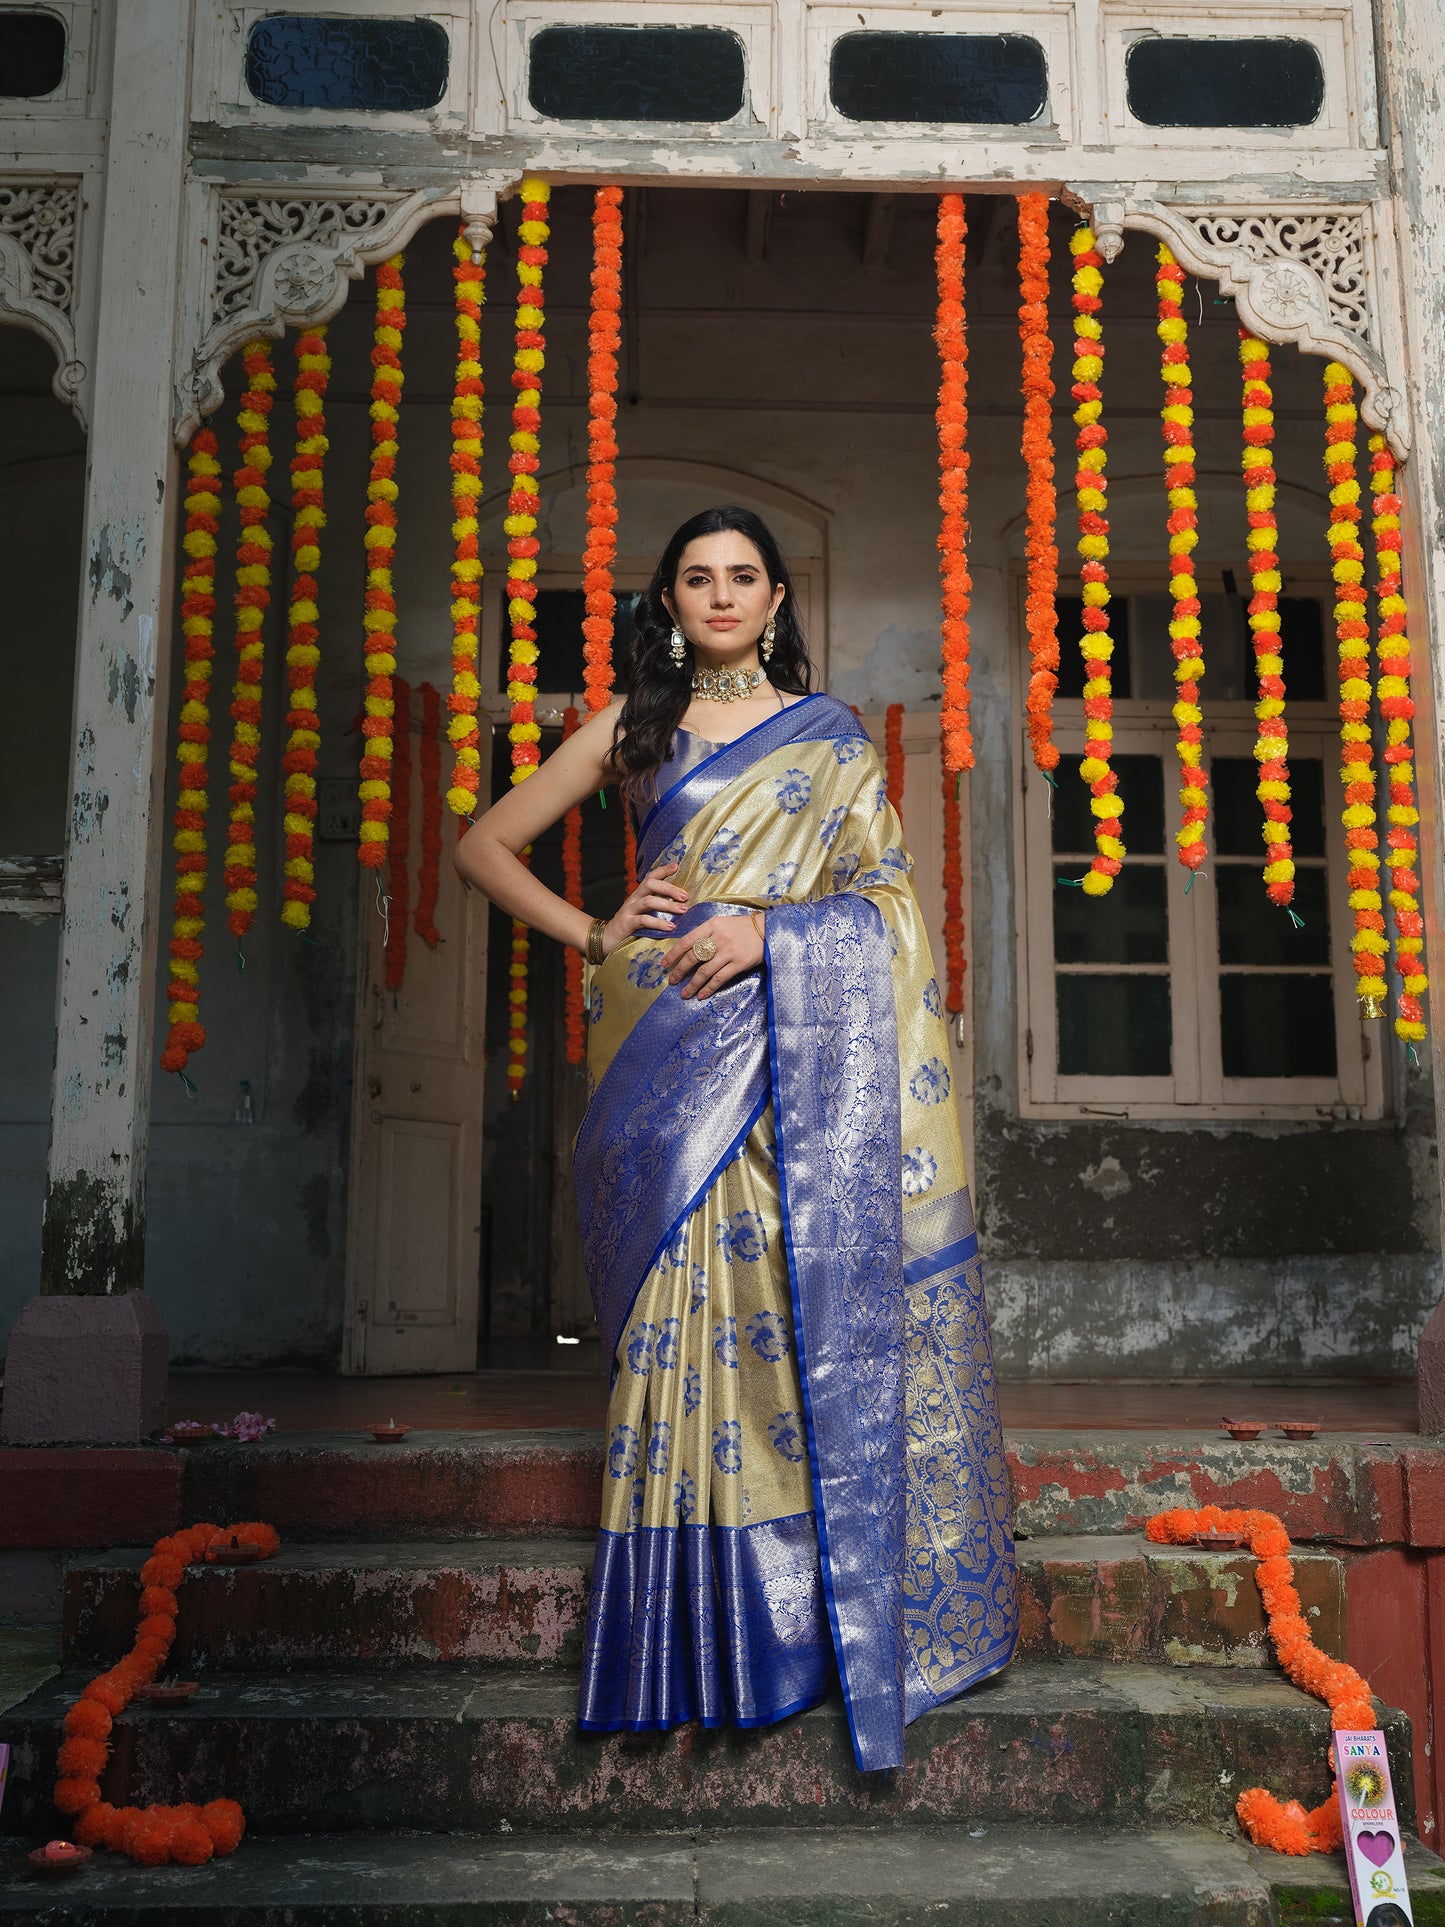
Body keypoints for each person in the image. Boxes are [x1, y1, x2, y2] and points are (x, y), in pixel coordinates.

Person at [456, 504, 1018, 1772]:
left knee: (783, 1319)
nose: (720, 596)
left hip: (792, 1067)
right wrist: (595, 932)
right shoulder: (632, 728)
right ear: (667, 601)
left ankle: (801, 1632)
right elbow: (482, 844)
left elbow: (884, 903)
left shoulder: (824, 741)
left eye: (742, 577)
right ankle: (679, 1637)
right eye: (696, 578)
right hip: (665, 1053)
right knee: (678, 1324)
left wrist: (773, 933)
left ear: (775, 601)